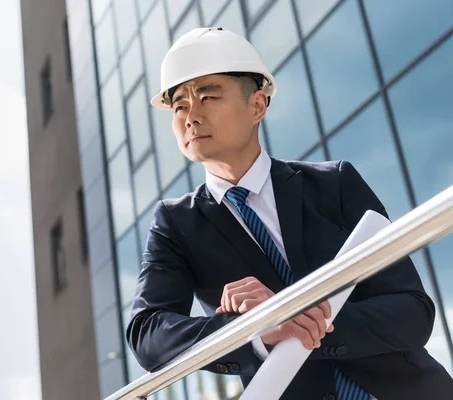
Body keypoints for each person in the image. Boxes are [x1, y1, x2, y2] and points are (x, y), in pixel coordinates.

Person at [125, 27, 453, 400]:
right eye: (180, 104)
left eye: (208, 96)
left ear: (258, 106)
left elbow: (412, 311)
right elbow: (148, 333)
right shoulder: (175, 223)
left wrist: (298, 320)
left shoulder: (336, 184)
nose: (191, 116)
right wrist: (252, 331)